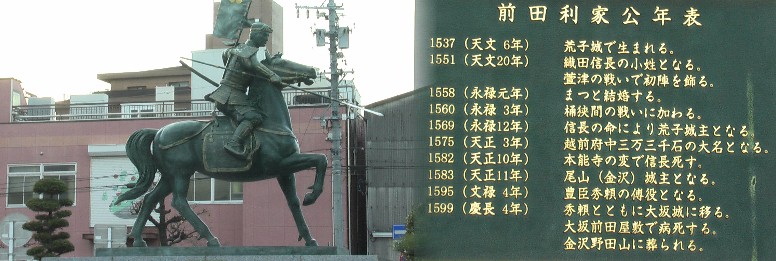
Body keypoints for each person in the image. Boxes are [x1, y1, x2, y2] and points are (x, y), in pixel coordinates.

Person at [205, 21, 283, 159]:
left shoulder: (239, 50)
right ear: (256, 35)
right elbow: (255, 65)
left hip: (230, 94)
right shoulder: (247, 51)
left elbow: (226, 55)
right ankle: (234, 143)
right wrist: (272, 74)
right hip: (230, 96)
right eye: (264, 36)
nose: (266, 39)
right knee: (254, 117)